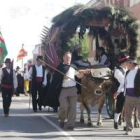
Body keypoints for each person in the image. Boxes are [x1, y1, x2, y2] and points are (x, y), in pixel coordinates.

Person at [44, 51, 89, 130]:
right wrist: (63, 77)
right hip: (63, 90)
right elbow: (56, 79)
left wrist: (83, 74)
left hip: (72, 89)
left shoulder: (73, 66)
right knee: (64, 106)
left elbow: (78, 75)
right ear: (63, 58)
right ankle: (62, 119)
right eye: (67, 57)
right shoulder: (60, 67)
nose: (68, 59)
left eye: (70, 58)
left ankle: (70, 125)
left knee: (73, 108)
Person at [123, 57, 140, 135]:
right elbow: (124, 83)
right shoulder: (127, 72)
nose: (126, 64)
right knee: (128, 114)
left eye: (128, 63)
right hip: (128, 95)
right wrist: (118, 91)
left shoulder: (139, 71)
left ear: (132, 63)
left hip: (138, 95)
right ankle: (129, 129)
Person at [113, 52, 129, 129]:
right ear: (124, 62)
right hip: (121, 91)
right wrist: (118, 92)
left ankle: (126, 124)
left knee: (128, 108)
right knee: (119, 108)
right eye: (127, 61)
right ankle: (116, 121)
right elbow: (123, 82)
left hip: (129, 91)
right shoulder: (117, 71)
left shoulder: (128, 69)